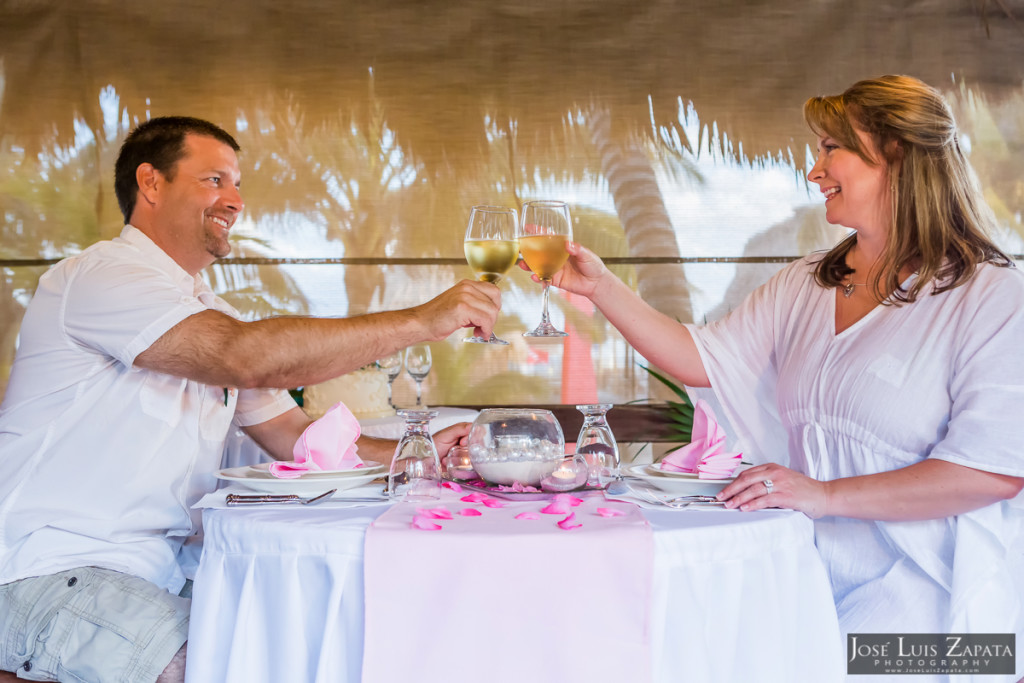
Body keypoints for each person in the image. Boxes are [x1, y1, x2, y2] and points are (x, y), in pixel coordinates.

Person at [532, 76, 1024, 663]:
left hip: (939, 603)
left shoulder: (991, 296)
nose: (813, 172)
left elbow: (992, 472)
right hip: (804, 571)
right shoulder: (807, 282)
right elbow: (699, 358)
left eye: (829, 148)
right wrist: (603, 288)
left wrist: (823, 494)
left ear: (895, 152)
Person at [0, 116, 500, 682]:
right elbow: (244, 356)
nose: (235, 200)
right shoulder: (99, 277)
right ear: (151, 182)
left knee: (314, 636)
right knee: (226, 666)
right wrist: (421, 320)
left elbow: (293, 437)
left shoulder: (205, 312)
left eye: (237, 185)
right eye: (215, 180)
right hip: (43, 570)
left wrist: (422, 451)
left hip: (159, 573)